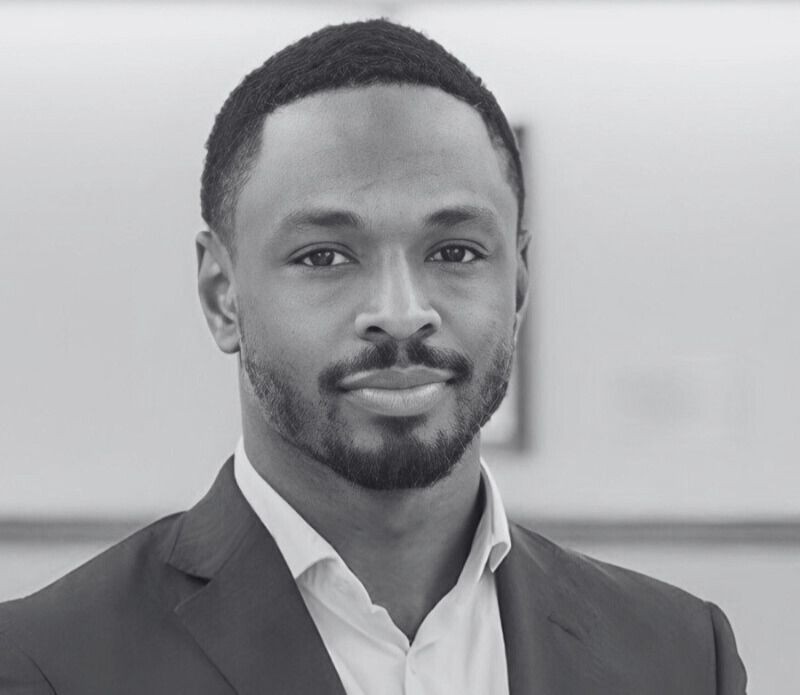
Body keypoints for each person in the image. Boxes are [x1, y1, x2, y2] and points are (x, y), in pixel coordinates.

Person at [0, 18, 746, 695]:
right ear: (222, 293)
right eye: (325, 255)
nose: (399, 313)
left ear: (517, 285)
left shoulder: (681, 656)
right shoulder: (47, 662)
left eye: (454, 250)